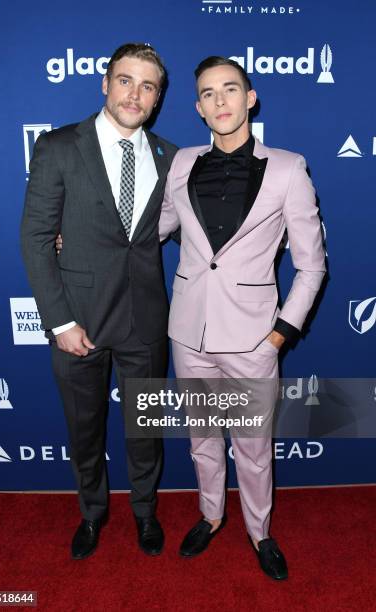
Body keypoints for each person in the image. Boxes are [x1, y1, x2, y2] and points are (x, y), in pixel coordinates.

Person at [158, 56, 326, 579]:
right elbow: (152, 228)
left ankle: (260, 531)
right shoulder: (182, 163)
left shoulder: (288, 168)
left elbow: (312, 264)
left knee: (253, 449)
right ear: (198, 108)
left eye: (230, 89)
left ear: (250, 98)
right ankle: (211, 516)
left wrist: (279, 334)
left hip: (254, 338)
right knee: (203, 439)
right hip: (189, 333)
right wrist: (82, 237)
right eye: (208, 93)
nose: (220, 101)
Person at [20, 43, 177, 560]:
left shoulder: (170, 157)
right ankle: (92, 512)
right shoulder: (59, 146)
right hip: (78, 322)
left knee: (145, 431)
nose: (135, 94)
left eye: (147, 86)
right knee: (84, 429)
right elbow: (36, 238)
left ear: (156, 100)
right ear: (104, 84)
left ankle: (145, 511)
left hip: (146, 320)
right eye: (126, 80)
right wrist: (59, 321)